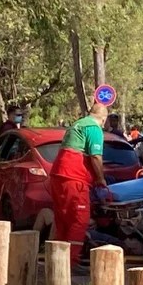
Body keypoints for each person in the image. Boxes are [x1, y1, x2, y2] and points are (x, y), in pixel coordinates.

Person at [50, 103, 109, 269]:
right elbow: (95, 157)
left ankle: (58, 262)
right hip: (74, 177)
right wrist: (101, 179)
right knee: (80, 219)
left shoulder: (77, 125)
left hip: (58, 174)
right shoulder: (94, 128)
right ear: (103, 119)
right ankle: (71, 261)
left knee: (63, 219)